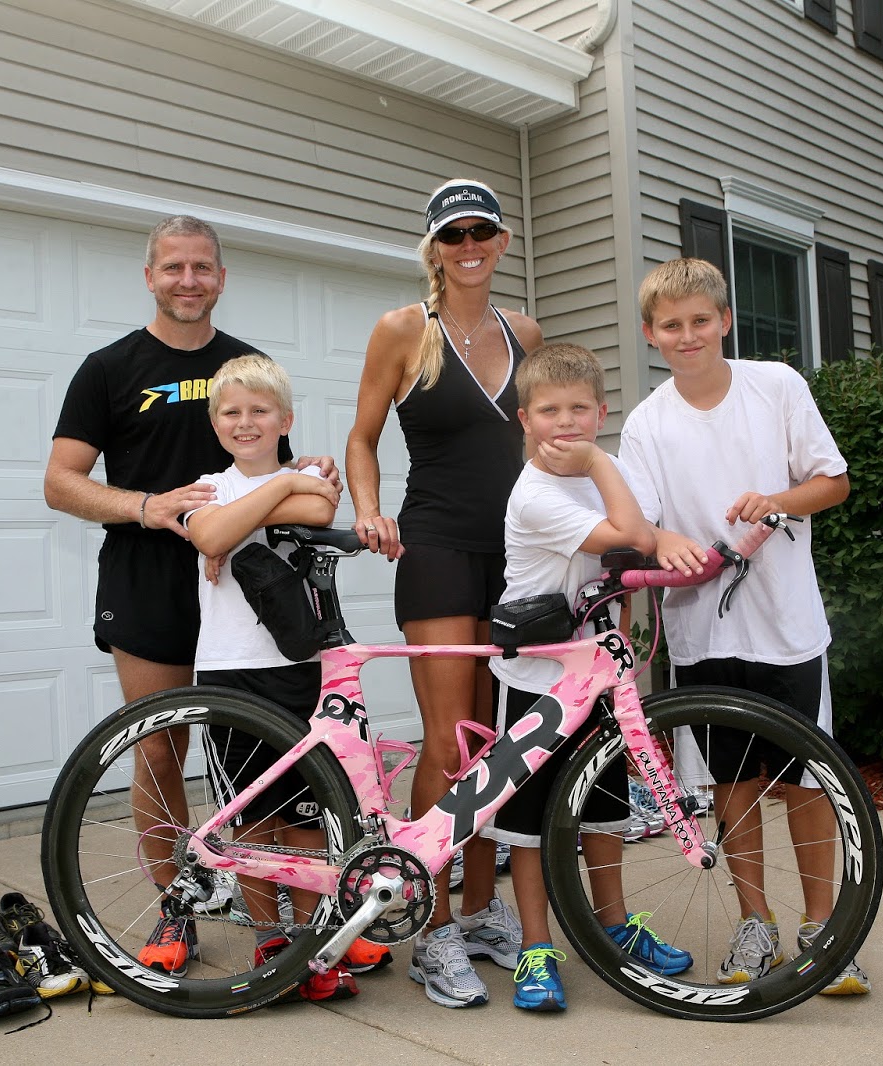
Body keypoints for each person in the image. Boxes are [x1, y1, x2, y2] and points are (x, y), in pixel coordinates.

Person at [44, 216, 331, 975]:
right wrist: (150, 507)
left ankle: (280, 911)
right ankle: (176, 910)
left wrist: (304, 479)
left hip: (248, 588)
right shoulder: (108, 367)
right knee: (160, 749)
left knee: (272, 756)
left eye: (202, 267)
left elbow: (282, 479)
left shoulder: (248, 367)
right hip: (148, 578)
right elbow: (60, 481)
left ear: (221, 277)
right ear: (150, 276)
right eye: (173, 267)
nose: (188, 280)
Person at [618, 258, 869, 996]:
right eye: (672, 325)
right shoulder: (647, 422)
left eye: (701, 321)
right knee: (733, 786)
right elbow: (639, 521)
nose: (688, 335)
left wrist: (778, 500)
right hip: (702, 636)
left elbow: (835, 481)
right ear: (650, 335)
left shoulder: (778, 385)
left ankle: (823, 931)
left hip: (788, 628)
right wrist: (662, 542)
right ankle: (753, 922)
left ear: (725, 321)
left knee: (804, 782)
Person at [346, 178, 539, 1008]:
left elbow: (551, 443)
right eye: (453, 234)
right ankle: (430, 932)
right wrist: (367, 510)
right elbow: (362, 436)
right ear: (434, 245)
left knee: (504, 748)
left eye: (482, 233)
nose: (469, 246)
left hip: (520, 558)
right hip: (436, 550)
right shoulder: (402, 330)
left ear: (500, 243)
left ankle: (480, 908)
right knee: (450, 744)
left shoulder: (525, 331)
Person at [488, 342, 705, 1011]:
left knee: (604, 811)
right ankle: (535, 946)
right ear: (524, 419)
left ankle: (614, 927)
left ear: (601, 409)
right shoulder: (537, 493)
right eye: (549, 410)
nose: (566, 422)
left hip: (598, 671)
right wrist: (597, 462)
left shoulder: (589, 476)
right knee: (528, 825)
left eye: (579, 409)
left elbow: (635, 529)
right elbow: (629, 532)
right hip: (537, 677)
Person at [179, 353, 362, 1002]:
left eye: (261, 411)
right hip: (230, 671)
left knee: (306, 814)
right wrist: (283, 486)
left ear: (285, 418)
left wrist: (271, 497)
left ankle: (314, 938)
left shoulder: (311, 481)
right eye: (232, 412)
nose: (246, 422)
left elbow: (320, 510)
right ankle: (268, 938)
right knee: (252, 818)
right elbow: (208, 534)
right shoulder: (205, 485)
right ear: (215, 422)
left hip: (297, 669)